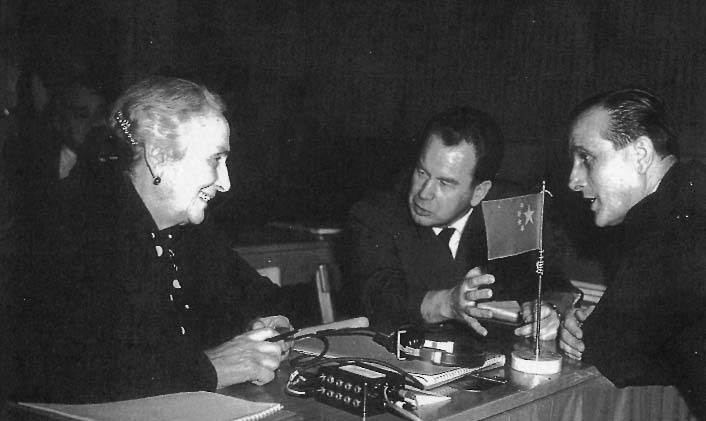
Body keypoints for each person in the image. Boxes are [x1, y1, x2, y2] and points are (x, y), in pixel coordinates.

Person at [7, 77, 293, 403]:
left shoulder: (192, 229)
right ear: (157, 156)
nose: (226, 182)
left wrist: (268, 325)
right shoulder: (70, 225)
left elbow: (263, 298)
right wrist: (208, 370)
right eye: (215, 159)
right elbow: (52, 369)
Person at [340, 106, 574, 337]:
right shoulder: (376, 214)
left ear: (479, 192)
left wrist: (551, 310)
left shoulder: (510, 211)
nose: (424, 193)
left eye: (445, 183)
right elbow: (379, 296)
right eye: (422, 172)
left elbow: (552, 280)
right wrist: (447, 303)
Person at [559, 88, 706, 418]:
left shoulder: (674, 224)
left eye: (587, 158)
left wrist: (578, 328)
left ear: (640, 153)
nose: (573, 179)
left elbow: (607, 351)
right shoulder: (688, 193)